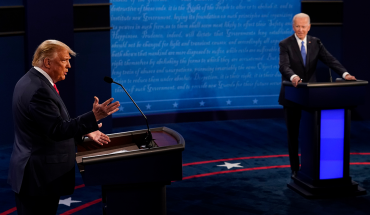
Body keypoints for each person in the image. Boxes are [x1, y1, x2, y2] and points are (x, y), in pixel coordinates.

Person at [8, 40, 120, 214]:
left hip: (35, 175)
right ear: (47, 62)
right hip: (38, 178)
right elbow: (57, 129)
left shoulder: (30, 81)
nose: (68, 65)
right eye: (64, 60)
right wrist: (94, 117)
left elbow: (43, 128)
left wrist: (85, 130)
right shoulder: (39, 89)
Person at [278, 13, 356, 177]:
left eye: (303, 26)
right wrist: (293, 77)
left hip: (311, 97)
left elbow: (331, 61)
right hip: (291, 95)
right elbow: (283, 66)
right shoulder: (285, 44)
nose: (300, 30)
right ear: (293, 27)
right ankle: (294, 169)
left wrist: (345, 74)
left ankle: (311, 167)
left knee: (311, 133)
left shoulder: (316, 43)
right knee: (293, 134)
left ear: (309, 27)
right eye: (297, 26)